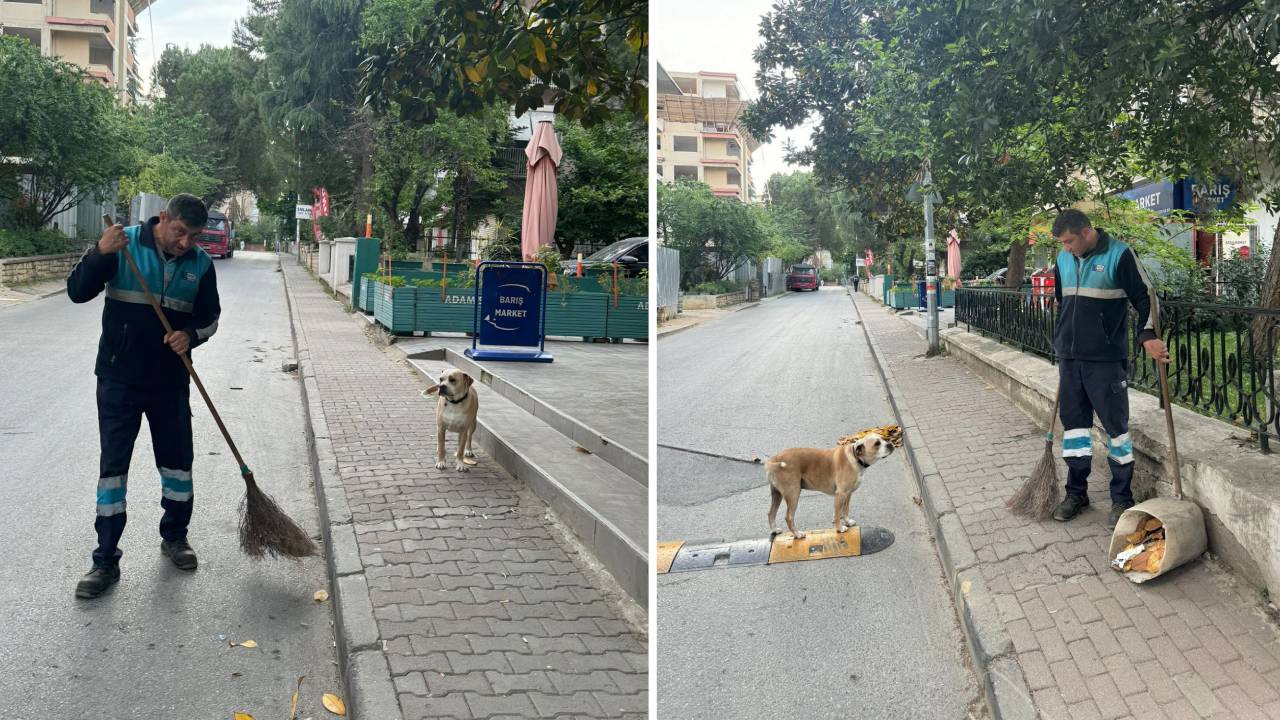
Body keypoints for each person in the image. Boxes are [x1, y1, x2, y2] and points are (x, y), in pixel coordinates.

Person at [66, 194, 221, 599]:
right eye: (179, 232)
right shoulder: (123, 244)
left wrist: (190, 336)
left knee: (177, 466)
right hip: (119, 379)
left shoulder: (200, 265)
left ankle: (175, 537)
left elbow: (210, 320)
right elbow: (77, 291)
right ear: (163, 218)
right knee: (113, 470)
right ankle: (104, 561)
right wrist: (99, 252)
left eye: (194, 236)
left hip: (170, 381)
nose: (185, 242)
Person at [1049, 209, 1169, 528]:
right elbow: (1063, 302)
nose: (1066, 248)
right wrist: (1062, 341)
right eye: (1062, 243)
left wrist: (1148, 336)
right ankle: (1076, 493)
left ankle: (1122, 499)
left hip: (1105, 361)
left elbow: (1148, 300)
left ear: (1087, 231)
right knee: (1075, 432)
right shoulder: (1063, 259)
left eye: (1070, 241)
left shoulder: (1119, 254)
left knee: (1117, 432)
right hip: (1070, 360)